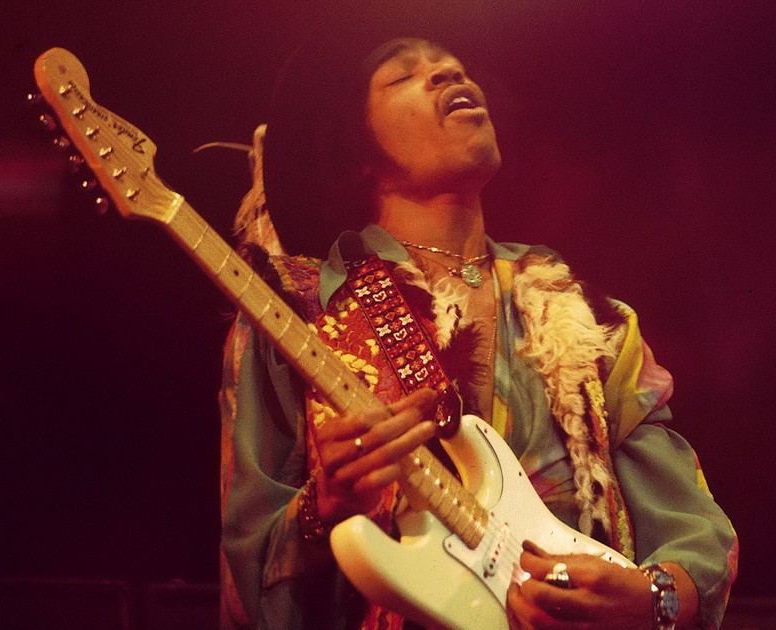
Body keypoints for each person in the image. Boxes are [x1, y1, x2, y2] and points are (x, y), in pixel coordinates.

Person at [218, 12, 737, 630]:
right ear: (356, 150)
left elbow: (693, 530)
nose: (446, 71)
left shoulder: (593, 321)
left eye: (454, 66)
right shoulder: (292, 314)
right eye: (403, 75)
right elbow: (247, 567)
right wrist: (323, 507)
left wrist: (656, 598)